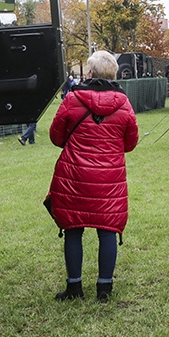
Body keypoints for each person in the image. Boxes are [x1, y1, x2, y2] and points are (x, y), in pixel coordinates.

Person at [49, 50, 139, 303]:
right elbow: (130, 143)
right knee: (107, 230)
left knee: (73, 230)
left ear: (90, 73)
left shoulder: (72, 99)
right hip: (109, 180)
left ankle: (74, 288)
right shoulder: (124, 104)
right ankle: (104, 288)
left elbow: (56, 137)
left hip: (74, 177)